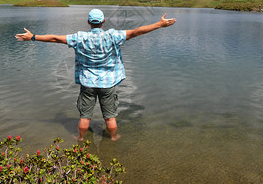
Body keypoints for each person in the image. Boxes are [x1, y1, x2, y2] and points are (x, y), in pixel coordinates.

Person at [15, 9, 176, 141]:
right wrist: (159, 24)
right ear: (103, 21)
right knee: (110, 116)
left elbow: (56, 38)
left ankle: (80, 138)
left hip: (88, 83)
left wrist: (33, 37)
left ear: (88, 22)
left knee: (85, 116)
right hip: (108, 83)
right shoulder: (113, 35)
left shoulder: (80, 38)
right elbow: (136, 32)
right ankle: (113, 138)